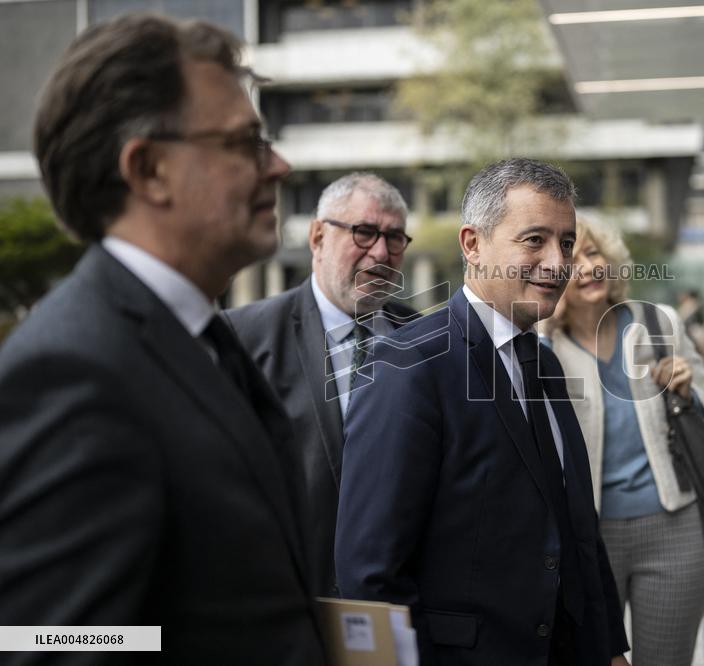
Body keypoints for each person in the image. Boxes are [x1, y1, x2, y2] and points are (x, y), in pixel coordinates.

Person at [0, 14, 326, 663]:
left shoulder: (200, 337)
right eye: (245, 143)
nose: (279, 165)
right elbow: (47, 641)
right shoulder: (74, 369)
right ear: (148, 169)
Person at [335, 158, 630, 666]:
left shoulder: (545, 363)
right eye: (534, 240)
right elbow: (370, 570)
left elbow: (575, 524)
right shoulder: (409, 365)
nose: (558, 262)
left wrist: (608, 648)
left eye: (565, 241)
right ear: (473, 244)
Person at [540, 217, 704, 666]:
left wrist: (689, 390)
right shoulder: (541, 347)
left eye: (594, 254)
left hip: (674, 531)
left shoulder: (656, 323)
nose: (587, 267)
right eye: (573, 259)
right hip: (588, 540)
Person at [223, 171, 417, 596]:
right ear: (317, 238)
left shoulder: (427, 339)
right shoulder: (242, 339)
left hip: (403, 602)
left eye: (395, 237)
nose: (381, 252)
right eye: (364, 233)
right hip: (286, 597)